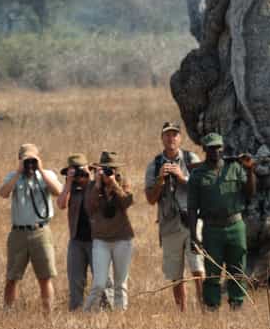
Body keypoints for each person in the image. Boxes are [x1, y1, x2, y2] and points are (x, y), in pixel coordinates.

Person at [187, 132, 256, 310]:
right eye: (211, 148)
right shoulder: (197, 175)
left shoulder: (234, 168)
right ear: (204, 150)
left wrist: (249, 170)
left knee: (238, 268)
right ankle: (212, 308)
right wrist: (194, 236)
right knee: (212, 271)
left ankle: (237, 305)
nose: (215, 151)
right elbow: (192, 208)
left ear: (223, 148)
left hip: (235, 225)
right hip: (211, 228)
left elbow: (250, 193)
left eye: (218, 147)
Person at [145, 121, 204, 311]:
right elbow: (150, 199)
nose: (171, 138)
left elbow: (201, 188)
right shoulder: (154, 165)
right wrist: (160, 180)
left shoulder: (190, 158)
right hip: (169, 223)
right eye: (167, 135)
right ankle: (182, 312)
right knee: (175, 273)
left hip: (192, 221)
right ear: (162, 138)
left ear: (180, 138)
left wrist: (181, 177)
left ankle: (205, 309)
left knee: (198, 268)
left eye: (174, 135)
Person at [0, 143, 62, 313]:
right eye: (27, 161)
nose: (30, 164)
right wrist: (18, 172)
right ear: (20, 161)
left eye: (33, 160)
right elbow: (3, 193)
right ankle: (8, 314)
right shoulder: (14, 176)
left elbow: (58, 191)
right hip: (18, 232)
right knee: (12, 277)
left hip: (40, 231)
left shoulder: (47, 175)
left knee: (45, 277)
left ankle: (48, 316)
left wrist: (40, 171)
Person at [56, 153, 111, 311]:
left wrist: (96, 180)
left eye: (83, 173)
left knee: (102, 280)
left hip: (97, 241)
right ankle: (76, 313)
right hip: (76, 241)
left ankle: (107, 312)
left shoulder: (97, 186)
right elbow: (60, 204)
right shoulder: (71, 189)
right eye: (76, 173)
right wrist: (68, 183)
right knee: (75, 281)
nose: (80, 178)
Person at [84, 151, 134, 311]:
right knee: (99, 283)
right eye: (105, 169)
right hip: (101, 240)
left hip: (122, 239)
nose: (108, 172)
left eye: (111, 169)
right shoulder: (93, 186)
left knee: (121, 284)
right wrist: (98, 185)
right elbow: (89, 208)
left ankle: (120, 318)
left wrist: (114, 184)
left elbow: (127, 202)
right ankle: (88, 314)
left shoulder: (122, 182)